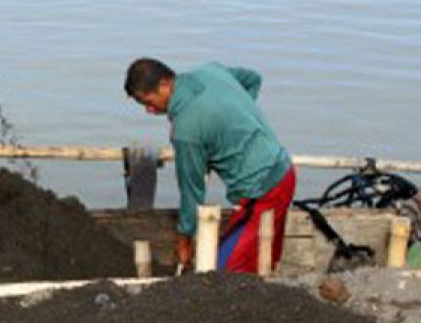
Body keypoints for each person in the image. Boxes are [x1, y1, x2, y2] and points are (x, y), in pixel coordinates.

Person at [124, 58, 297, 273]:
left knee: (223, 273)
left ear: (164, 86)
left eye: (147, 101)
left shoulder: (186, 130)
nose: (148, 110)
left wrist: (185, 239)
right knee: (263, 256)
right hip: (285, 170)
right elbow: (253, 80)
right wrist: (236, 121)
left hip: (263, 192)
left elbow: (192, 192)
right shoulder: (210, 72)